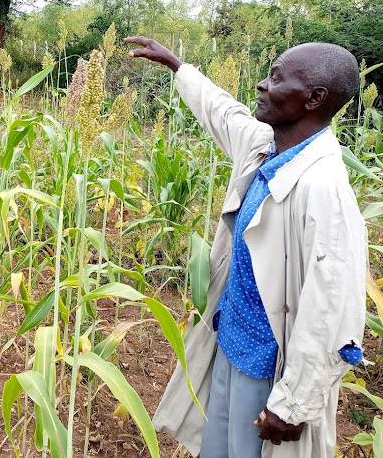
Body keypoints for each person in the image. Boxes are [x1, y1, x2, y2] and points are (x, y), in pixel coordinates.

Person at [124, 36, 368, 458]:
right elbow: (223, 111)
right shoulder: (267, 146)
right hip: (230, 343)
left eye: (275, 78)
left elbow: (332, 309)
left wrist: (294, 403)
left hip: (268, 369)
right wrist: (177, 65)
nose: (260, 84)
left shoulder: (324, 189)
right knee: (217, 450)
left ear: (314, 98)